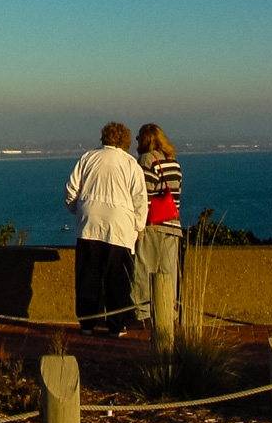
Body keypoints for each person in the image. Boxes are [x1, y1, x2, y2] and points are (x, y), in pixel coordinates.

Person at [64, 122, 148, 335]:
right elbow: (140, 200)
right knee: (117, 278)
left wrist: (80, 210)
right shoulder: (130, 164)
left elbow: (71, 190)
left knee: (87, 276)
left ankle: (87, 323)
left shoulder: (88, 158)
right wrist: (137, 227)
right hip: (119, 228)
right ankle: (117, 324)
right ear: (125, 141)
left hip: (89, 224)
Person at [131, 123, 183, 324]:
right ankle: (168, 313)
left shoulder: (146, 160)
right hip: (172, 225)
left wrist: (140, 226)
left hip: (153, 225)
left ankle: (143, 315)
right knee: (168, 272)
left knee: (144, 270)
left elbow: (145, 196)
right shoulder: (174, 163)